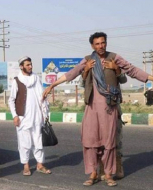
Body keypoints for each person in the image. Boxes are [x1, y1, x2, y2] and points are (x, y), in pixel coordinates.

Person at [43, 32, 153, 187]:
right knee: (90, 141)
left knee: (109, 142)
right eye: (97, 44)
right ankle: (93, 173)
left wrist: (118, 70)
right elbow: (71, 74)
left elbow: (132, 70)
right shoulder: (88, 60)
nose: (101, 46)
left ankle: (108, 174)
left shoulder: (114, 58)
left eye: (103, 43)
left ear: (106, 43)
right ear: (92, 46)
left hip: (109, 107)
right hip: (92, 107)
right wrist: (52, 85)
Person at [79, 60, 127, 180]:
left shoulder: (111, 62)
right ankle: (102, 167)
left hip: (112, 106)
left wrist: (116, 68)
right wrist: (86, 71)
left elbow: (123, 80)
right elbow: (83, 83)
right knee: (97, 139)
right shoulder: (91, 64)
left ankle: (118, 164)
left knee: (115, 139)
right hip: (95, 108)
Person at [8, 56, 51, 176]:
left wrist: (44, 113)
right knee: (24, 143)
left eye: (31, 64)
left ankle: (40, 164)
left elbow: (42, 96)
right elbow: (11, 100)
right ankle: (26, 165)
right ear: (21, 66)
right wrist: (15, 116)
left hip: (37, 116)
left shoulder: (36, 78)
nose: (30, 66)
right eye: (27, 65)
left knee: (38, 141)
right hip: (23, 118)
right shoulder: (17, 81)